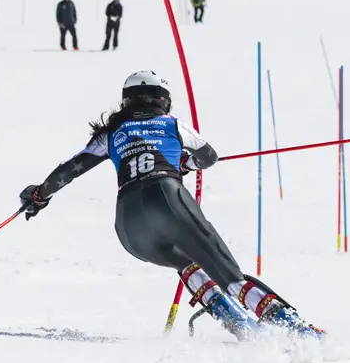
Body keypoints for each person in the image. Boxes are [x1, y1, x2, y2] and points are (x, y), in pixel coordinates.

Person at [18, 71, 325, 341]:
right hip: (167, 199)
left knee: (186, 263)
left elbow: (68, 171)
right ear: (162, 99)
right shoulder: (171, 124)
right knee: (230, 276)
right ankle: (300, 333)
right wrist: (185, 164)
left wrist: (39, 195)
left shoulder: (110, 134)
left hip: (129, 229)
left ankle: (240, 327)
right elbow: (209, 156)